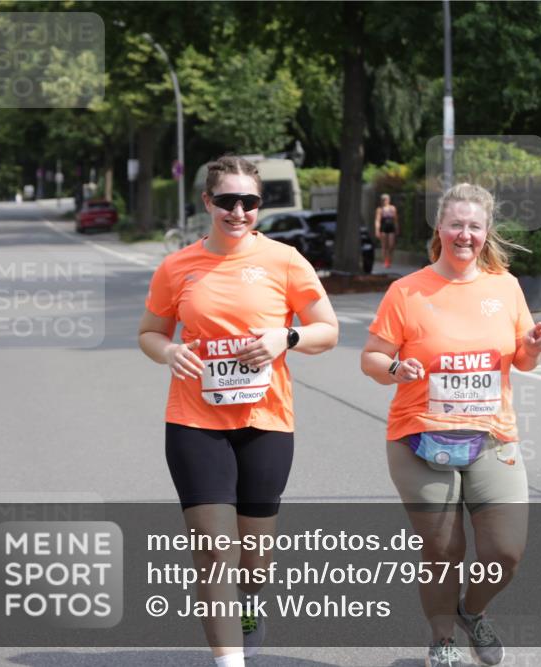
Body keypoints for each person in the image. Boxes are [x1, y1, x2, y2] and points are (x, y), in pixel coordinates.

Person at [138, 155, 338, 667]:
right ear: (208, 202)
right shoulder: (177, 266)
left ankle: (250, 601)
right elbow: (150, 332)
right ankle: (230, 662)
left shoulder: (285, 261)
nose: (238, 211)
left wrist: (284, 337)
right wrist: (168, 351)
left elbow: (327, 331)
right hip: (194, 422)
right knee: (213, 550)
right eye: (227, 201)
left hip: (266, 422)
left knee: (253, 560)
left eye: (249, 201)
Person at [361, 183, 541, 667]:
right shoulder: (407, 291)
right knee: (444, 550)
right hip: (419, 437)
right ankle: (442, 641)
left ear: (486, 233)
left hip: (491, 437)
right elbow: (372, 356)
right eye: (455, 225)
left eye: (474, 226)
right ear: (439, 229)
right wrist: (393, 369)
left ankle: (473, 611)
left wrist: (533, 346)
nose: (464, 234)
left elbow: (523, 359)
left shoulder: (505, 286)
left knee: (506, 551)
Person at [374, 193, 400, 269]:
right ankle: (386, 261)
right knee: (384, 246)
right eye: (383, 200)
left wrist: (397, 228)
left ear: (389, 200)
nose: (385, 201)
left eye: (386, 199)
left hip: (391, 228)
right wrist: (377, 230)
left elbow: (395, 220)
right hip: (383, 228)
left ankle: (389, 259)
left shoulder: (393, 208)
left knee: (391, 245)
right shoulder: (380, 209)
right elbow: (377, 220)